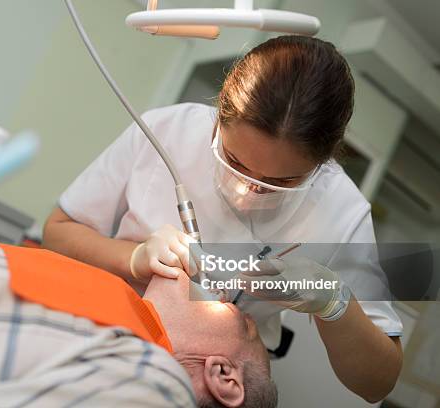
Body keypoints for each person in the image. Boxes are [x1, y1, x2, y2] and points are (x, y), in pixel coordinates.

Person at [43, 35, 403, 402]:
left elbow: (378, 383)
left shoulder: (342, 211)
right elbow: (57, 232)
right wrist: (132, 258)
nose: (248, 193)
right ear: (219, 116)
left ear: (323, 163)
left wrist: (332, 302)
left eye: (280, 183)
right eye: (235, 163)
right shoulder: (168, 130)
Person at [0, 214, 276, 408]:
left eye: (236, 314)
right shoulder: (124, 327)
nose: (213, 287)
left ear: (223, 376)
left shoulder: (156, 388)